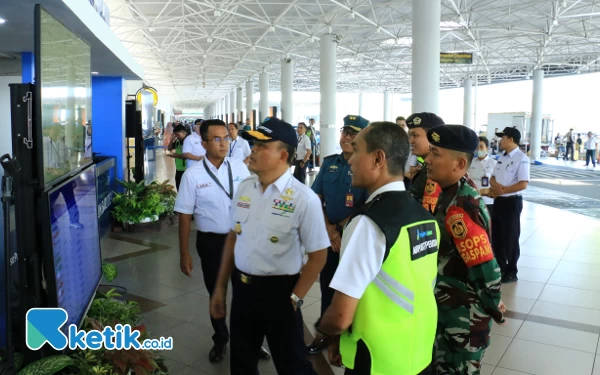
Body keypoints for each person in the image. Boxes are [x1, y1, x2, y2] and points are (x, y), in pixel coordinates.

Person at [317, 121, 439, 375]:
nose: (350, 161)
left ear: (377, 159)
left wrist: (324, 331)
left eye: (357, 150)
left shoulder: (368, 224)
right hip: (419, 354)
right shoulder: (424, 216)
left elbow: (340, 316)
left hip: (377, 360)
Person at [210, 117, 329, 375]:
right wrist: (220, 288)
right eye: (254, 144)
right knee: (241, 364)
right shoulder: (244, 188)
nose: (253, 149)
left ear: (283, 155)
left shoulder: (303, 199)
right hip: (243, 291)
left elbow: (319, 255)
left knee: (293, 365)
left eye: (263, 146)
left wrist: (295, 298)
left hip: (281, 294)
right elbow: (233, 237)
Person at [174, 119, 271, 364]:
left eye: (225, 138)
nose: (223, 143)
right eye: (216, 139)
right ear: (203, 142)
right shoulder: (192, 175)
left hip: (243, 240)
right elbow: (185, 216)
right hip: (211, 243)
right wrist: (184, 253)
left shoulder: (239, 167)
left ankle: (251, 341)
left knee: (246, 294)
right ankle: (221, 339)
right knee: (216, 293)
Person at [424, 124, 505, 375]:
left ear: (459, 164)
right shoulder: (447, 193)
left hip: (463, 318)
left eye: (435, 154)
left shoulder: (461, 206)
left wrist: (494, 306)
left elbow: (486, 268)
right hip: (448, 309)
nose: (427, 159)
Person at [306, 115, 370, 355]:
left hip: (354, 239)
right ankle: (325, 337)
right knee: (327, 286)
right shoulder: (330, 162)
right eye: (345, 132)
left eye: (354, 133)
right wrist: (330, 229)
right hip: (329, 237)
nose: (347, 137)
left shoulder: (368, 165)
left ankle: (348, 339)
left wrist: (342, 228)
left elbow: (370, 204)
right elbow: (316, 198)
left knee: (352, 290)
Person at [490, 127, 530, 283]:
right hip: (498, 201)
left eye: (503, 137)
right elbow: (493, 177)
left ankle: (512, 270)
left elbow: (523, 184)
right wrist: (495, 187)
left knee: (510, 237)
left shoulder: (521, 158)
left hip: (511, 202)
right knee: (497, 236)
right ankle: (500, 266)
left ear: (511, 139)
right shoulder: (503, 157)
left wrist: (503, 190)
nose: (501, 140)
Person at [407, 112, 446, 213]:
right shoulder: (427, 169)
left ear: (433, 137)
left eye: (415, 135)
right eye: (409, 135)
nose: (410, 141)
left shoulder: (438, 172)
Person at [469, 136, 497, 216]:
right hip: (473, 199)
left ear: (487, 148)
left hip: (488, 201)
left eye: (481, 146)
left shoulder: (494, 163)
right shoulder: (471, 163)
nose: (479, 149)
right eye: (477, 147)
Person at [168, 124, 188, 190]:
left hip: (187, 169)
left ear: (184, 133)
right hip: (178, 169)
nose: (176, 136)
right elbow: (169, 148)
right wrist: (171, 140)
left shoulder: (189, 141)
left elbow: (189, 156)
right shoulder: (177, 141)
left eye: (177, 134)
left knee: (186, 189)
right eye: (175, 135)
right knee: (179, 188)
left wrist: (177, 156)